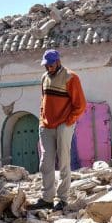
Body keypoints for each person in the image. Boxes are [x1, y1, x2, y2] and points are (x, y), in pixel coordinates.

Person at [33, 49, 86, 211]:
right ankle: (47, 198)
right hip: (46, 126)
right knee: (45, 163)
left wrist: (68, 122)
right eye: (46, 65)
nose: (48, 68)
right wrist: (42, 120)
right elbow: (44, 101)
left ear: (58, 62)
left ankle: (62, 198)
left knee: (63, 161)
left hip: (64, 124)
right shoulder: (44, 78)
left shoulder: (71, 77)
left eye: (51, 64)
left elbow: (80, 105)